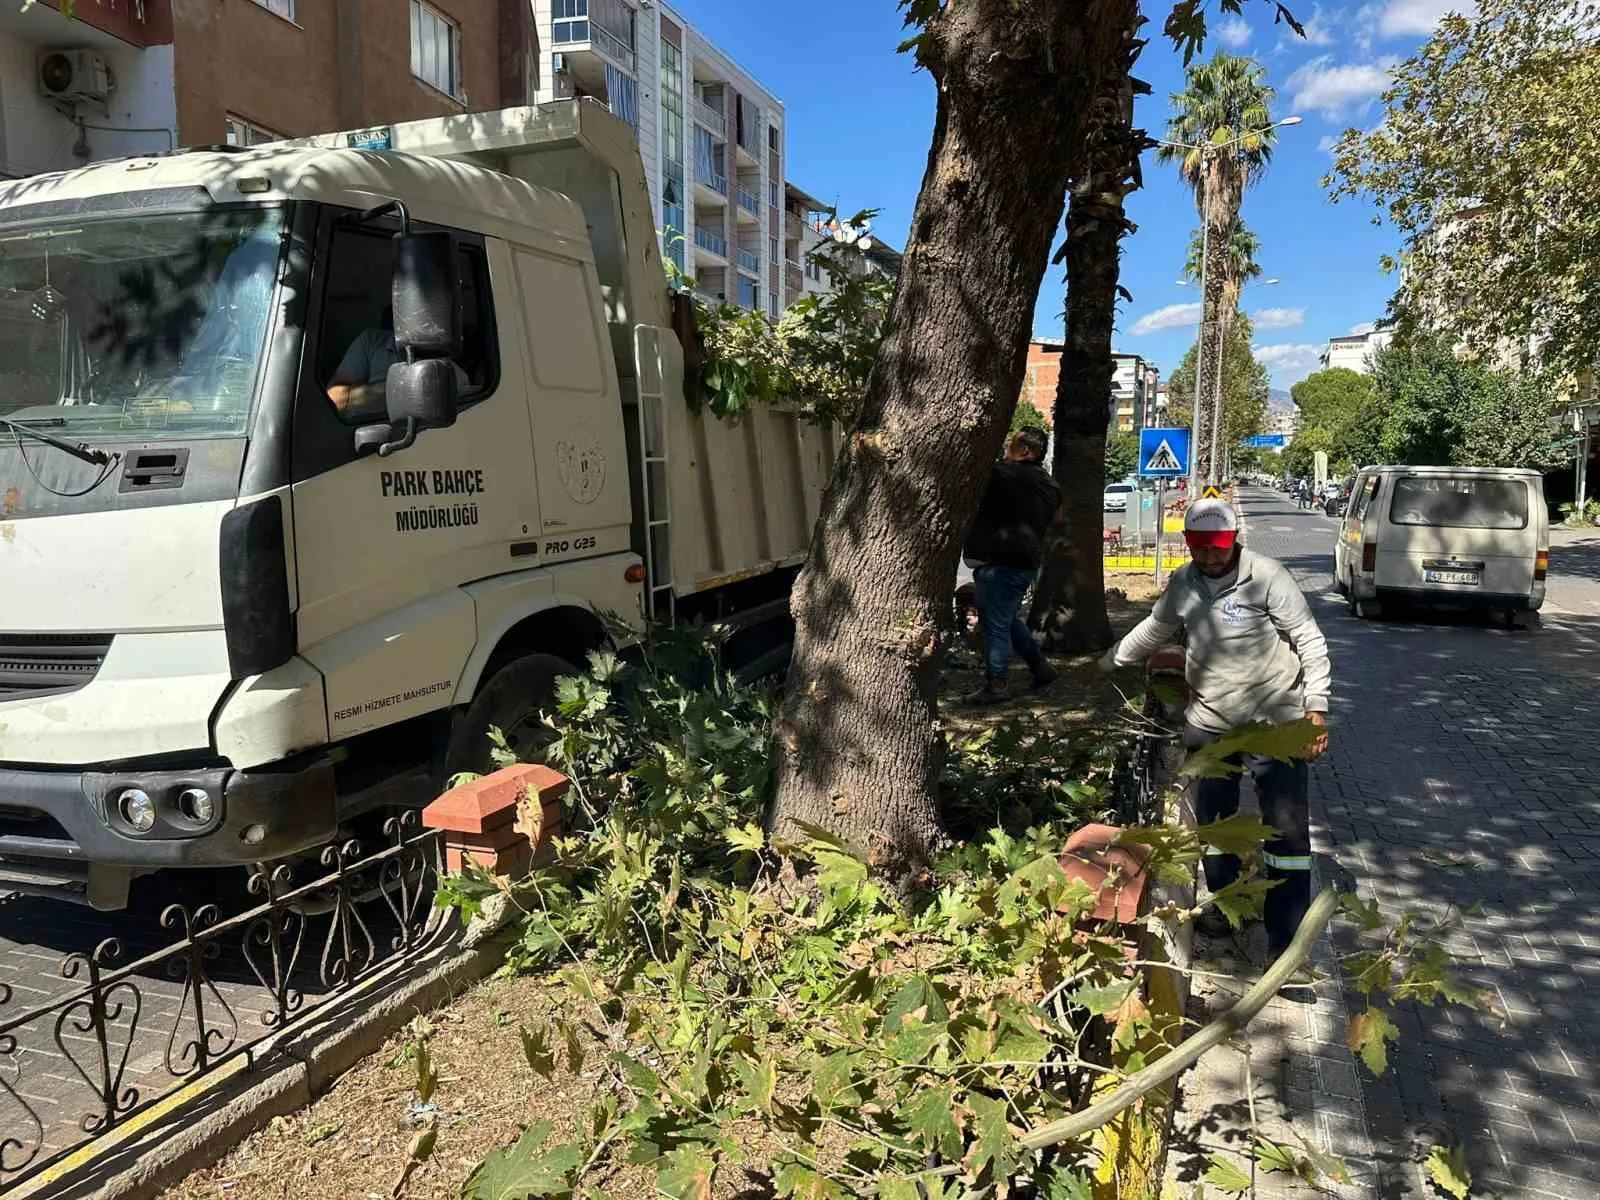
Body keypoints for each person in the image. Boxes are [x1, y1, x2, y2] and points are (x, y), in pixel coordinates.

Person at [1098, 499, 1331, 969]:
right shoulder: (1184, 581)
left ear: (1235, 541)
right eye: (1201, 549)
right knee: (1214, 827)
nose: (1210, 558)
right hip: (1210, 724)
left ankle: (1285, 945)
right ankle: (1225, 909)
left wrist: (1316, 709)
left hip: (1275, 725)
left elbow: (1309, 639)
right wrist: (1108, 662)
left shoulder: (1266, 576)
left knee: (1285, 838)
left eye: (1218, 548)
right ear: (1188, 544)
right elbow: (1155, 629)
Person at [960, 427, 1061, 705]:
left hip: (999, 561)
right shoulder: (1049, 485)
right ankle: (1041, 668)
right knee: (1004, 617)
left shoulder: (1003, 476)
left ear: (1026, 451)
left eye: (1011, 444)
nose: (1006, 447)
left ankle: (997, 684)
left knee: (995, 625)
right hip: (1026, 563)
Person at [326, 305, 469, 419]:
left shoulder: (448, 371)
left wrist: (365, 396)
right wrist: (408, 390)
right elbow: (335, 398)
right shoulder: (370, 342)